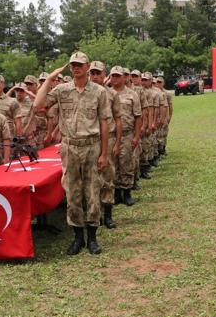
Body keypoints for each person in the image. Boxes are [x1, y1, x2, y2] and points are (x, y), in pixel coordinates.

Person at [34, 51, 111, 255]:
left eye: (79, 65)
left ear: (87, 67)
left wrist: (104, 153)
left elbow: (104, 122)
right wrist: (49, 79)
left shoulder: (99, 92)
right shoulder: (61, 90)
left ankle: (92, 238)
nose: (76, 68)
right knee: (72, 193)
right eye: (72, 65)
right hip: (69, 147)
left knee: (93, 192)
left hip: (92, 146)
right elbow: (38, 105)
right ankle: (77, 237)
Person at [89, 61, 122, 229]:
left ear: (104, 75)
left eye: (98, 73)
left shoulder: (112, 94)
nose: (94, 76)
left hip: (107, 140)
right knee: (91, 180)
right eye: (92, 73)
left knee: (108, 177)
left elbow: (118, 118)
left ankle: (108, 215)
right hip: (90, 140)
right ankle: (94, 214)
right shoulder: (86, 93)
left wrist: (117, 142)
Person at [110, 66, 141, 206]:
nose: (115, 78)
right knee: (113, 165)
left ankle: (127, 192)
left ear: (124, 78)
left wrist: (136, 136)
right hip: (111, 136)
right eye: (113, 76)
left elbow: (138, 117)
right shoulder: (106, 94)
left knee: (126, 163)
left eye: (118, 76)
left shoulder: (132, 94)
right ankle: (116, 194)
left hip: (127, 134)